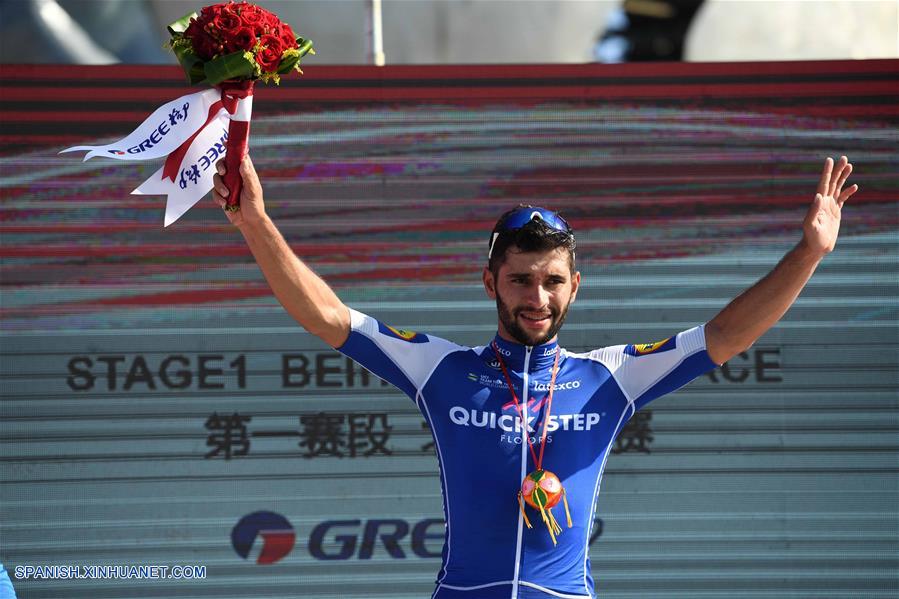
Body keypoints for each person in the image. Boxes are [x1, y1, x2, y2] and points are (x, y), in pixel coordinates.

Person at [212, 155, 856, 598]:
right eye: (520, 280)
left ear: (574, 287)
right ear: (490, 281)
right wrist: (255, 221)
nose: (537, 298)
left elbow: (724, 338)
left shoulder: (612, 377)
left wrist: (809, 253)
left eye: (552, 282)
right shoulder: (442, 368)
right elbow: (330, 318)